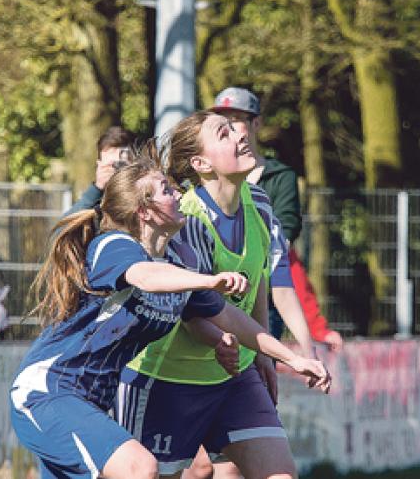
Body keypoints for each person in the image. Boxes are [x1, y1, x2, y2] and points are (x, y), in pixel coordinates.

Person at [10, 153, 331, 478]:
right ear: (144, 211)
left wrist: (292, 359)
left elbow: (230, 318)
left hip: (92, 402)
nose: (178, 194)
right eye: (166, 190)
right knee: (140, 467)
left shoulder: (175, 270)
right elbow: (145, 277)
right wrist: (209, 280)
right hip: (50, 392)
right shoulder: (113, 246)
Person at [118, 111, 330, 478]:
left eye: (236, 128)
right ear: (200, 163)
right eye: (224, 133)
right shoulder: (186, 220)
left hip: (234, 378)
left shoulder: (260, 205)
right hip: (167, 379)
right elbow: (197, 313)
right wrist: (228, 341)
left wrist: (262, 352)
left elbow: (261, 278)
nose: (239, 134)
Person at [207, 87, 343, 354]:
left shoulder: (280, 177)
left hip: (264, 293)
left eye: (236, 120)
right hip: (220, 291)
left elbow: (282, 244)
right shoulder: (198, 189)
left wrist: (310, 339)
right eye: (222, 122)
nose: (230, 130)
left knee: (259, 368)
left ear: (255, 124)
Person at [64, 126, 136, 216]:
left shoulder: (146, 195)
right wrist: (97, 189)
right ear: (100, 166)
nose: (118, 172)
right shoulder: (95, 202)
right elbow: (62, 228)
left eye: (122, 165)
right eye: (111, 165)